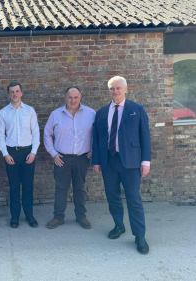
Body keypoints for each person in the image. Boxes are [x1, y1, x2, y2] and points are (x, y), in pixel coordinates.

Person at [92, 76, 151, 254]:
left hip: (131, 162)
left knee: (133, 199)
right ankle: (119, 225)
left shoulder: (137, 109)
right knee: (113, 197)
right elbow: (96, 138)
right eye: (112, 88)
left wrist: (145, 161)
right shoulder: (102, 112)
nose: (115, 91)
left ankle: (139, 236)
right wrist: (96, 160)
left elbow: (145, 137)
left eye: (118, 88)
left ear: (126, 89)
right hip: (108, 161)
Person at [44, 87, 96, 229]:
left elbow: (98, 133)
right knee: (61, 188)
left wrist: (94, 149)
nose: (73, 100)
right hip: (62, 158)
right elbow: (47, 134)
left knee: (80, 188)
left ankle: (81, 216)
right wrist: (53, 153)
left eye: (76, 97)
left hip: (82, 158)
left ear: (80, 98)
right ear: (65, 98)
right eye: (70, 97)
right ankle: (58, 217)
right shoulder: (56, 114)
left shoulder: (91, 114)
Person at [0, 81, 40, 228]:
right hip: (11, 153)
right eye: (12, 92)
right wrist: (5, 154)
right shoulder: (3, 112)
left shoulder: (30, 111)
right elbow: (0, 135)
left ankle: (29, 215)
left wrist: (33, 152)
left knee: (28, 186)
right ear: (8, 94)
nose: (15, 94)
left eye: (17, 91)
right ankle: (15, 216)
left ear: (21, 93)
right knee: (14, 186)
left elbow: (36, 133)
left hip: (28, 152)